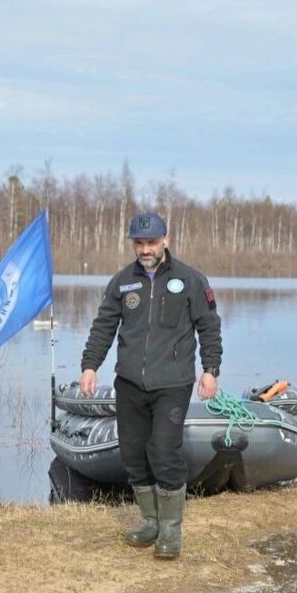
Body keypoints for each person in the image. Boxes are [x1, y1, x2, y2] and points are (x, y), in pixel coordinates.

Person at [79, 211, 223, 560]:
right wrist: (89, 365)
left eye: (151, 242)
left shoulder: (190, 280)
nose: (145, 249)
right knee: (132, 453)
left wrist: (211, 369)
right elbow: (104, 327)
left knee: (163, 451)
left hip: (172, 383)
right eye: (139, 243)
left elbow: (209, 327)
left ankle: (170, 531)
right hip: (129, 382)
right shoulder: (122, 282)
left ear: (165, 240)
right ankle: (149, 522)